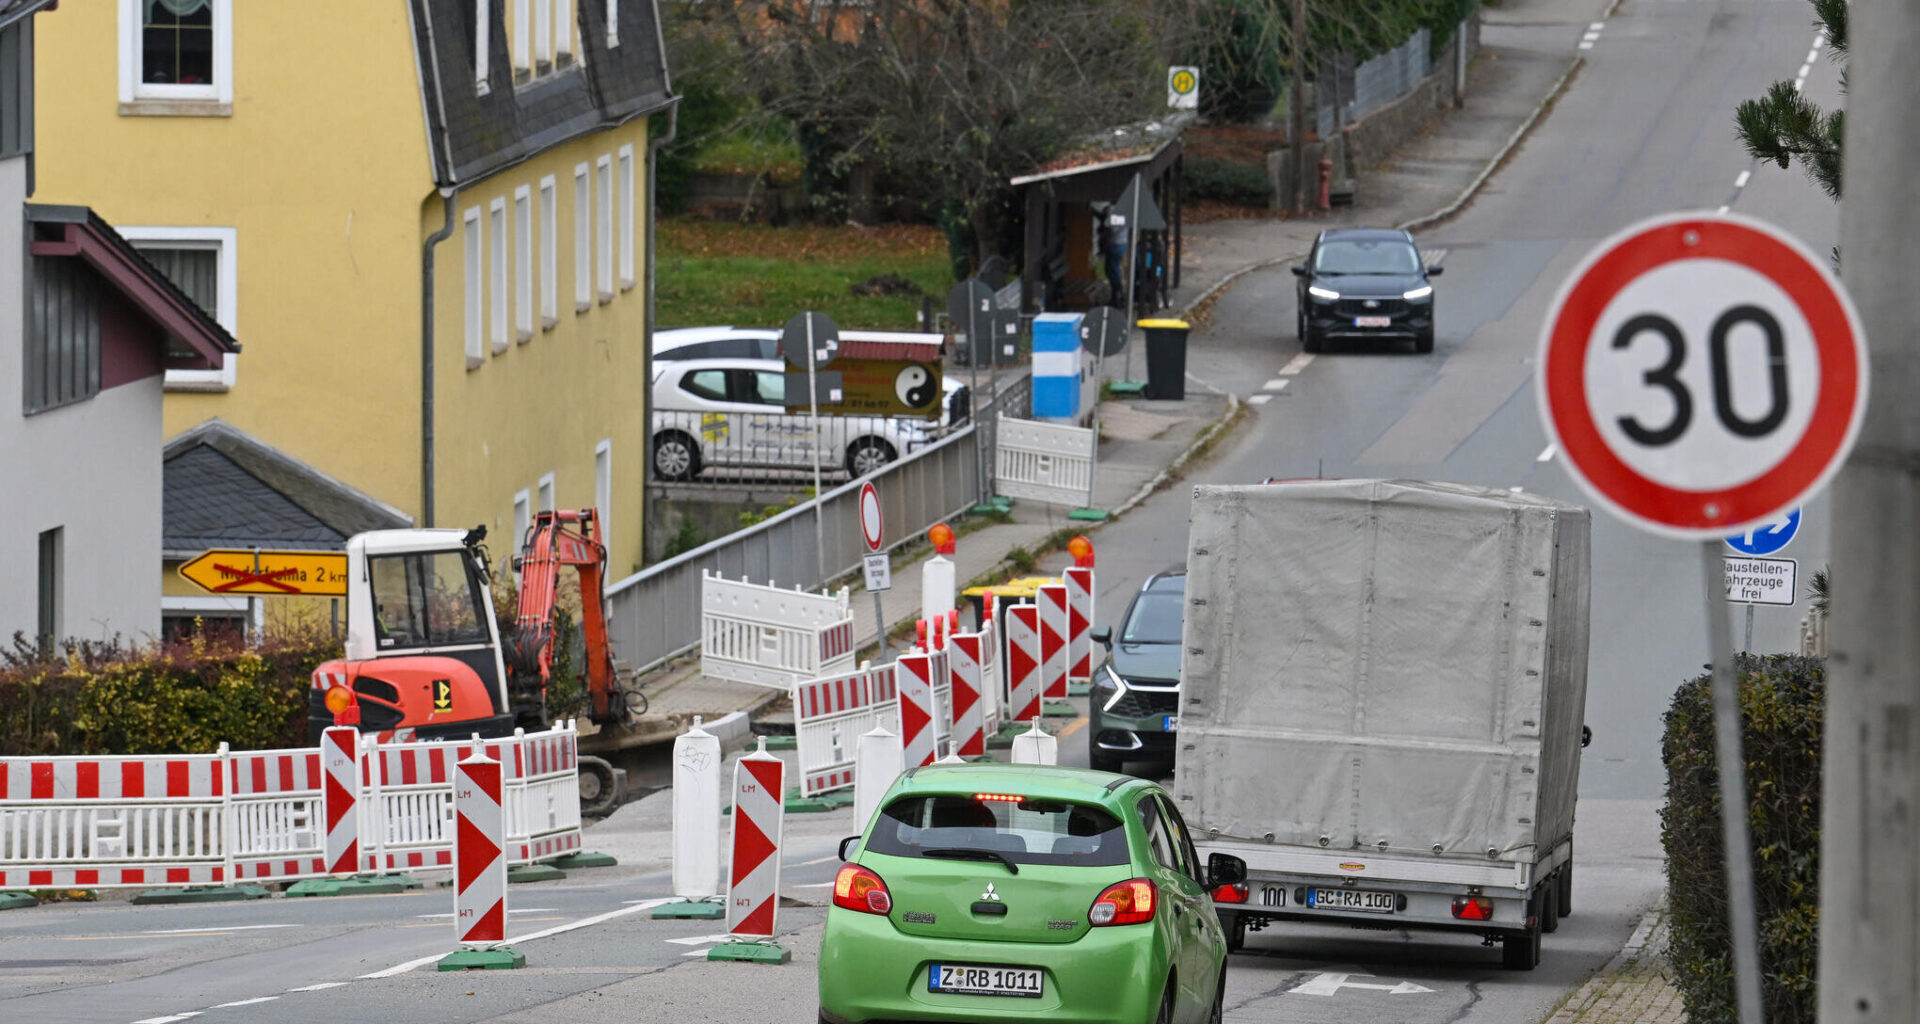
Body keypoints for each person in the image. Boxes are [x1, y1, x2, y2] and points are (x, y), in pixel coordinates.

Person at [1095, 202, 1129, 307]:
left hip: (1116, 244)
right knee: (1112, 270)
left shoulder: (1115, 213)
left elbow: (1110, 228)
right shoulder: (1124, 211)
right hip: (1120, 243)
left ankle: (1118, 293)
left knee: (1112, 270)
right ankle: (1117, 293)